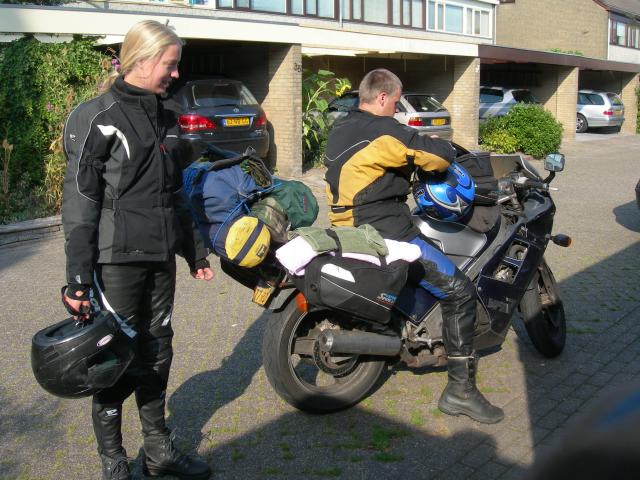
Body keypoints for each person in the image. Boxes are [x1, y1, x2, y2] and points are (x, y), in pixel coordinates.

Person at [61, 20, 213, 479]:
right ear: (141, 60)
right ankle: (113, 462)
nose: (175, 74)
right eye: (169, 64)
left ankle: (159, 452)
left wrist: (195, 251)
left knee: (157, 352)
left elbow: (176, 193)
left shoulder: (167, 116)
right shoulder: (97, 116)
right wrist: (77, 279)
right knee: (113, 359)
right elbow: (81, 202)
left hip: (160, 256)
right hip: (115, 259)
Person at [324, 68, 503, 424]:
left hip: (346, 225)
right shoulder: (383, 130)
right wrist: (447, 148)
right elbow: (433, 156)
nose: (397, 110)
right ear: (382, 98)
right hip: (385, 229)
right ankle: (460, 393)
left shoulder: (343, 126)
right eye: (395, 102)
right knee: (459, 291)